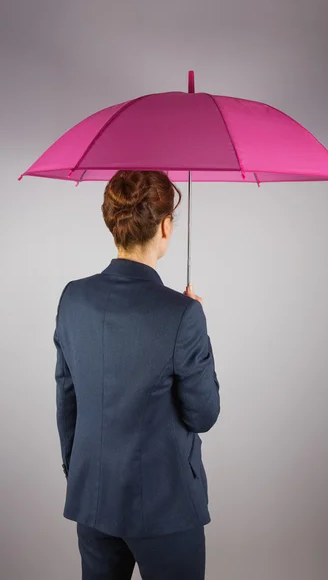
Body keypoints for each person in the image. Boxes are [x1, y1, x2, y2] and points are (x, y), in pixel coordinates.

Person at [53, 170, 221, 580]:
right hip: (165, 507)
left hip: (94, 498)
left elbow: (67, 398)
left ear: (115, 223)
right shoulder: (183, 313)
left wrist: (81, 472)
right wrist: (193, 321)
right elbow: (204, 415)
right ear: (165, 226)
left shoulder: (73, 298)